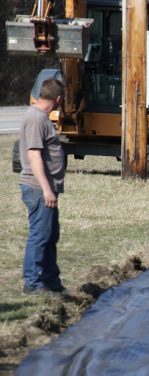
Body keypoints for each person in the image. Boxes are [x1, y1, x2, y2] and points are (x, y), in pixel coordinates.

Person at [19, 78, 66, 295]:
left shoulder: (41, 117)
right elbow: (34, 155)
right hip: (38, 188)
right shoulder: (36, 119)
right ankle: (33, 283)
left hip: (46, 188)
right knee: (39, 235)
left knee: (49, 235)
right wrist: (46, 189)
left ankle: (51, 281)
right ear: (57, 99)